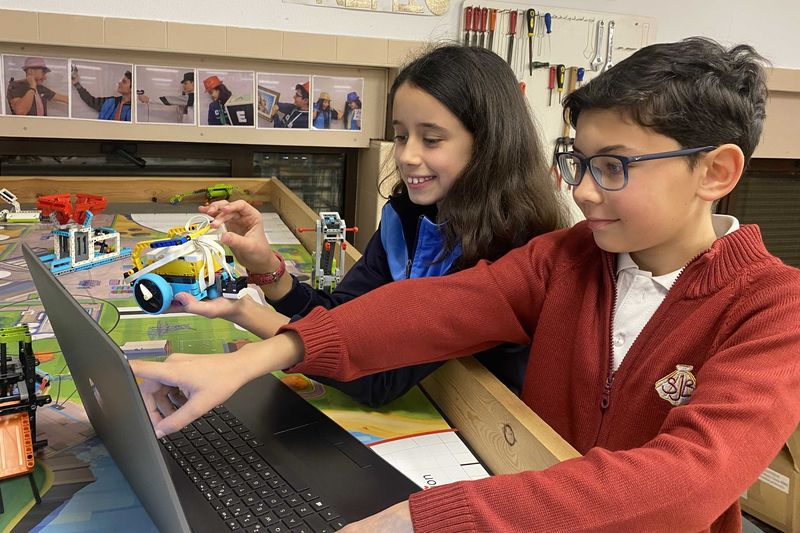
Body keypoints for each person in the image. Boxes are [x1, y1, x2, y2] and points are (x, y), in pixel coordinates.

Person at [132, 38, 800, 532]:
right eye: (578, 161)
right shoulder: (566, 257)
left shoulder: (774, 308)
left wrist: (421, 522)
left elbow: (685, 481)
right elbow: (428, 310)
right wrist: (259, 353)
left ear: (715, 172)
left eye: (615, 167)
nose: (585, 189)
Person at [162, 45, 567, 407]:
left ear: (487, 143)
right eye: (400, 135)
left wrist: (247, 314)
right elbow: (342, 317)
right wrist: (269, 269)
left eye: (431, 139)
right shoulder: (407, 215)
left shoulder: (511, 247)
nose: (406, 156)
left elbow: (379, 379)